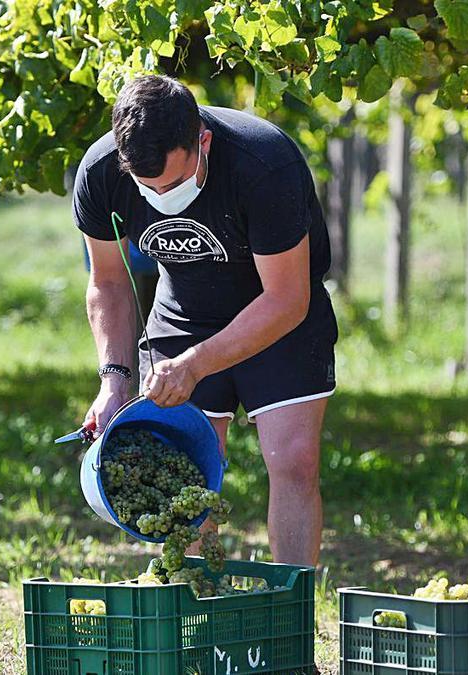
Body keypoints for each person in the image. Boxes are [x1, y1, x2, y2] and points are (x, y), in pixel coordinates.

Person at [73, 75, 337, 566]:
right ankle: (199, 606)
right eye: (146, 187)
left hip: (279, 313)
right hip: (184, 311)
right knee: (186, 472)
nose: (159, 195)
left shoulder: (263, 163)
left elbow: (287, 299)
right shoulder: (101, 172)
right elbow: (109, 282)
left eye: (171, 185)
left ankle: (290, 613)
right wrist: (114, 381)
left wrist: (194, 366)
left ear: (203, 141)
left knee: (294, 462)